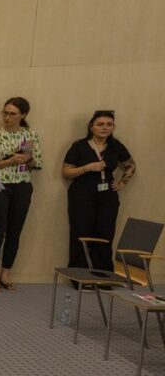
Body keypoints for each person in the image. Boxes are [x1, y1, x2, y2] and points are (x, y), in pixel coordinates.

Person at [62, 110, 136, 271]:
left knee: (105, 233)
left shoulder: (116, 146)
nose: (105, 128)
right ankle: (78, 274)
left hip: (107, 194)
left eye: (109, 125)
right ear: (91, 127)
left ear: (113, 127)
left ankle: (102, 274)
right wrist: (86, 168)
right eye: (100, 124)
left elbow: (131, 165)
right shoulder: (79, 146)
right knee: (81, 232)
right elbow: (66, 172)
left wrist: (122, 182)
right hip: (82, 193)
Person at [0, 96, 43, 291]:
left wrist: (28, 159)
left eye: (12, 114)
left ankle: (6, 271)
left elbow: (38, 164)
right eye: (5, 113)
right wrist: (8, 161)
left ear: (23, 115)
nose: (7, 117)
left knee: (14, 232)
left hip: (22, 186)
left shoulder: (30, 135)